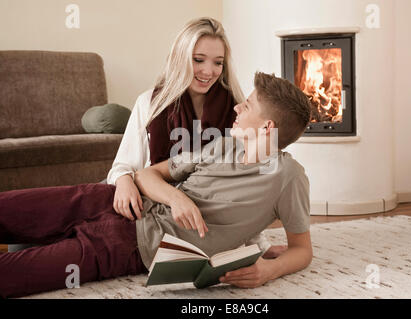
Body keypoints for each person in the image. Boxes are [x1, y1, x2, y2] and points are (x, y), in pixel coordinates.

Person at [0, 72, 312, 297]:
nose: (236, 109)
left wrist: (268, 270)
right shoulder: (223, 145)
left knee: (11, 274)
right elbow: (147, 175)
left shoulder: (288, 177)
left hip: (127, 247)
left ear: (267, 127)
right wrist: (178, 200)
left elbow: (302, 250)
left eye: (247, 106)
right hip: (107, 199)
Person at [107, 17, 281, 257]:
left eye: (218, 63)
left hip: (206, 219)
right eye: (198, 60)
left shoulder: (239, 111)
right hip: (153, 203)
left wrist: (259, 244)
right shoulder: (149, 103)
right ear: (180, 57)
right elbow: (123, 165)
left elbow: (250, 184)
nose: (208, 71)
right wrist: (124, 179)